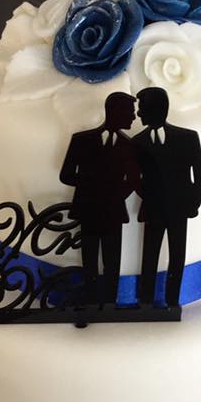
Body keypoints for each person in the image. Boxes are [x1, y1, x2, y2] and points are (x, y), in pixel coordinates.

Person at [60, 92, 137, 305]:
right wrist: (94, 187)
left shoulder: (130, 146)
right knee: (90, 259)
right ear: (115, 111)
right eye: (130, 112)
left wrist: (114, 195)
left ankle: (110, 302)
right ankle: (91, 301)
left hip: (113, 212)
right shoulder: (81, 140)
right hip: (88, 210)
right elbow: (66, 175)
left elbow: (133, 180)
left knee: (113, 261)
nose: (133, 117)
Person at [133, 87, 201, 308]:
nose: (138, 114)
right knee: (149, 256)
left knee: (177, 256)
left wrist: (193, 204)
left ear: (156, 109)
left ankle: (173, 300)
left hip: (179, 210)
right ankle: (145, 300)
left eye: (142, 108)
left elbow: (200, 174)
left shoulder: (188, 138)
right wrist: (149, 195)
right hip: (153, 210)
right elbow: (133, 177)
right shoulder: (137, 142)